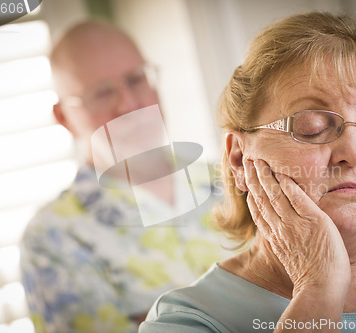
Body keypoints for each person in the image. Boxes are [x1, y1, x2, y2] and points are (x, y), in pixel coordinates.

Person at [140, 12, 356, 332]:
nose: (355, 152)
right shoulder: (187, 321)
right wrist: (318, 288)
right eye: (313, 128)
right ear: (239, 159)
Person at [20, 21, 229, 333]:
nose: (129, 105)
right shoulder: (53, 238)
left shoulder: (237, 178)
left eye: (136, 79)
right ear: (64, 117)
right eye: (101, 93)